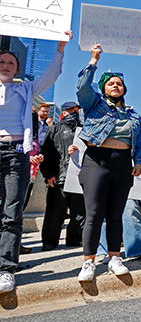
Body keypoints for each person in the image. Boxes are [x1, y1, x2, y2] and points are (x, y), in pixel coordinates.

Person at [0, 31, 72, 293]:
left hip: (16, 153)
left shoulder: (25, 89)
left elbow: (51, 74)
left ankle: (6, 268)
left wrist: (61, 48)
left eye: (10, 63)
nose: (6, 66)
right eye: (1, 62)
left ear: (17, 69)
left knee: (12, 210)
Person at [75, 44, 141, 282]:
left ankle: (115, 258)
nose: (115, 86)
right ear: (103, 88)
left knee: (116, 213)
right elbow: (83, 87)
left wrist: (138, 161)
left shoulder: (133, 114)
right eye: (110, 83)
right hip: (97, 160)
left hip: (122, 164)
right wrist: (93, 60)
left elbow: (139, 142)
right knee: (94, 214)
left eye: (119, 83)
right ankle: (88, 262)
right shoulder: (94, 104)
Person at [39, 101, 86, 250]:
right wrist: (49, 174)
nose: (75, 112)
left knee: (79, 211)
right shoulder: (55, 130)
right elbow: (46, 152)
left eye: (76, 109)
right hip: (59, 177)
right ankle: (49, 241)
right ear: (64, 112)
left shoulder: (84, 130)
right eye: (71, 109)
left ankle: (75, 239)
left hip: (78, 177)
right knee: (54, 211)